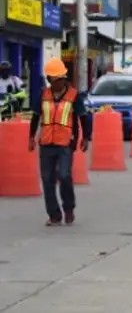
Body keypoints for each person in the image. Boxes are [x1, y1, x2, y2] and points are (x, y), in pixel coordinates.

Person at [29, 58, 91, 226]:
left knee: (64, 175)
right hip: (46, 143)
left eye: (62, 79)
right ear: (50, 80)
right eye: (56, 80)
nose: (59, 82)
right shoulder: (43, 95)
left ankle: (68, 208)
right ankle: (54, 214)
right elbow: (35, 117)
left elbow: (84, 118)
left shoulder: (74, 96)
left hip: (65, 144)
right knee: (47, 179)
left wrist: (85, 138)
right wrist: (31, 138)